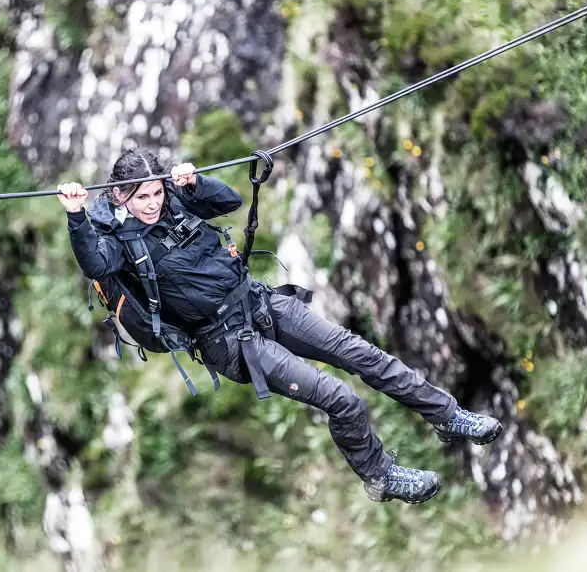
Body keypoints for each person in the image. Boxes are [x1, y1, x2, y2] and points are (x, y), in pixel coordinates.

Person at [57, 147, 502, 504]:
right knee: (339, 398)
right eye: (142, 198)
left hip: (261, 303)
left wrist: (194, 183)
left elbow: (229, 201)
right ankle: (380, 477)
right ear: (120, 197)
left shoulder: (175, 201)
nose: (152, 204)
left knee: (362, 354)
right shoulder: (116, 242)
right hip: (229, 342)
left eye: (156, 193)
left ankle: (448, 416)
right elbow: (93, 263)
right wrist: (77, 216)